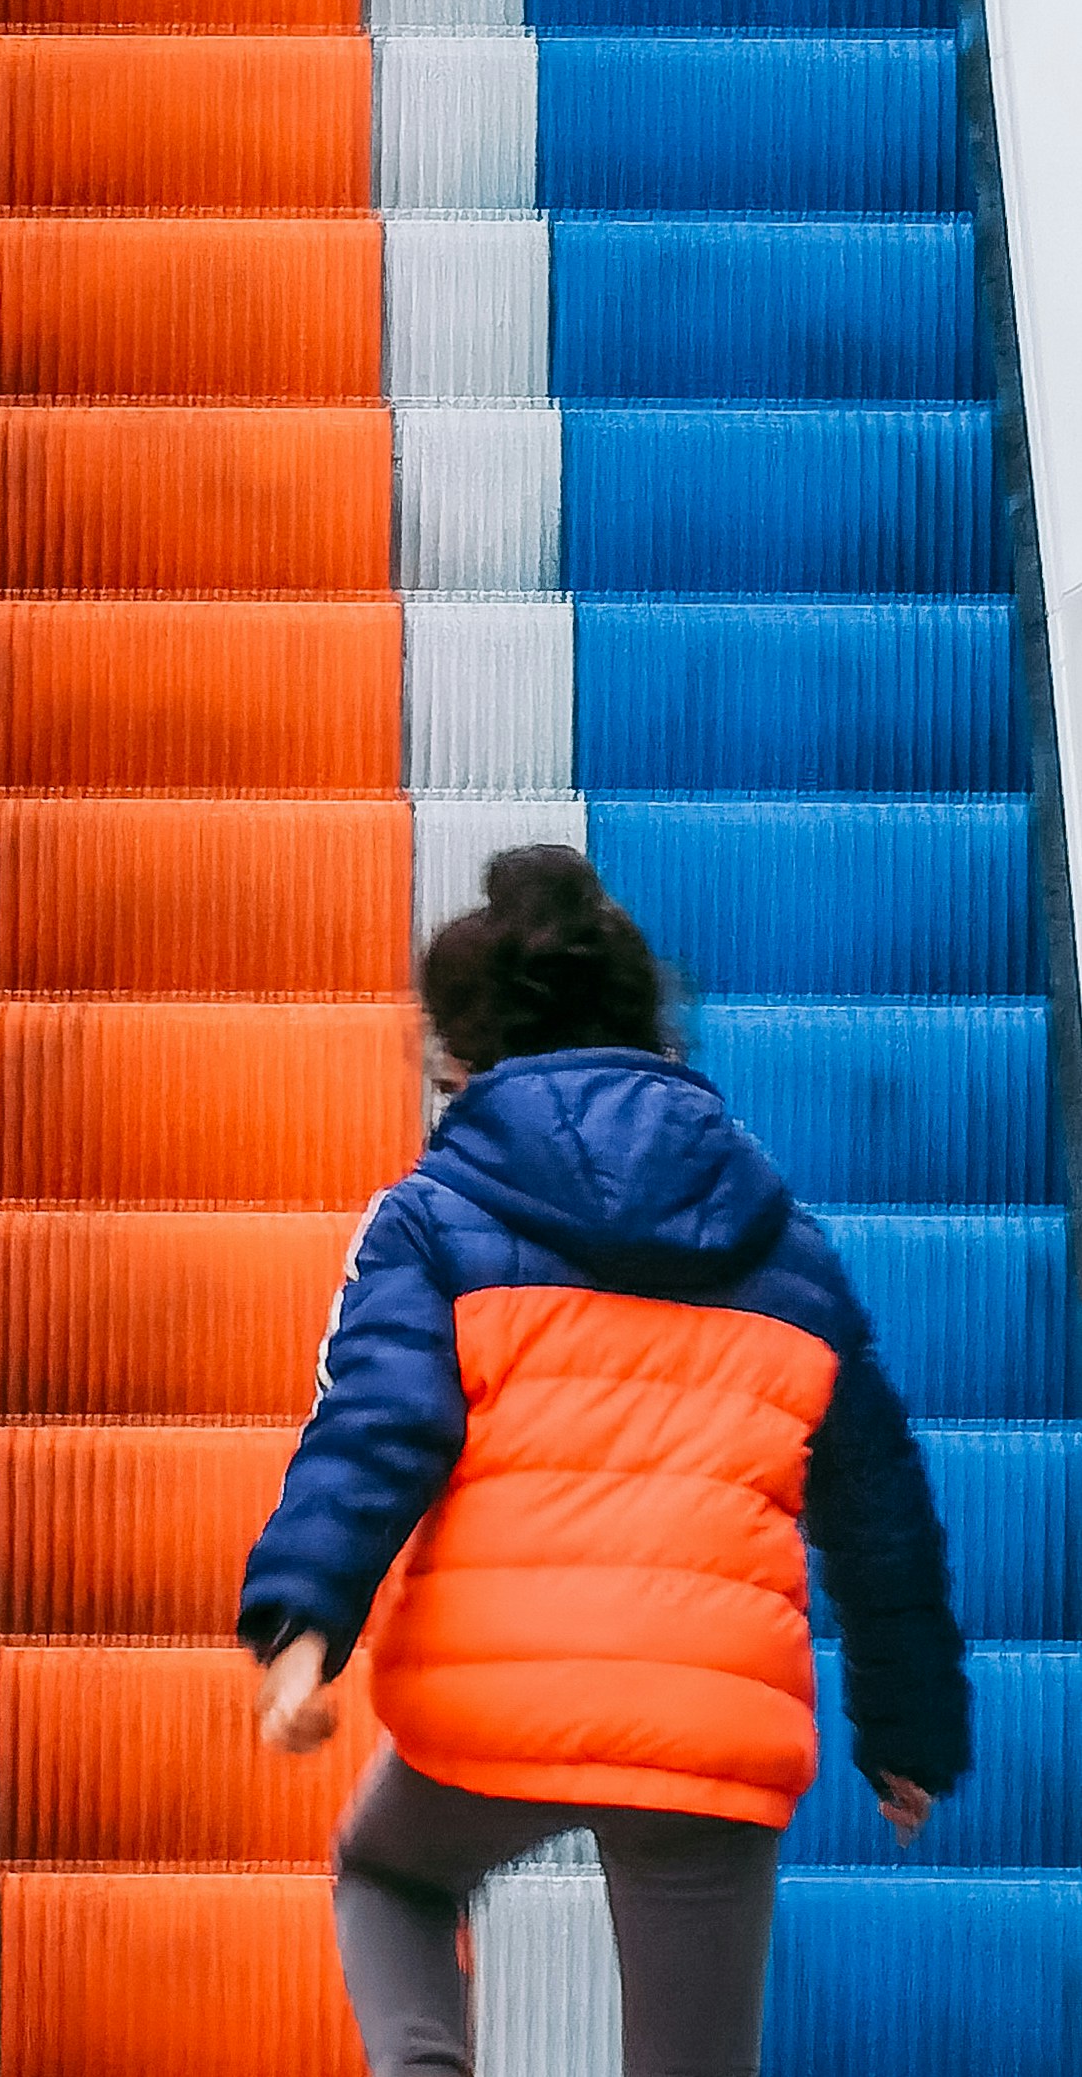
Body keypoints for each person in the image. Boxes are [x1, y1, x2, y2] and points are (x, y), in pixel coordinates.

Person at [237, 846, 971, 2077]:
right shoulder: (787, 1248)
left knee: (387, 1872)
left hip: (491, 1700)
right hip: (707, 1717)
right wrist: (906, 1725)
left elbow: (373, 1428)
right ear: (655, 1035)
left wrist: (302, 1627)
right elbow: (878, 1501)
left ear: (459, 1064)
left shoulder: (428, 1219)